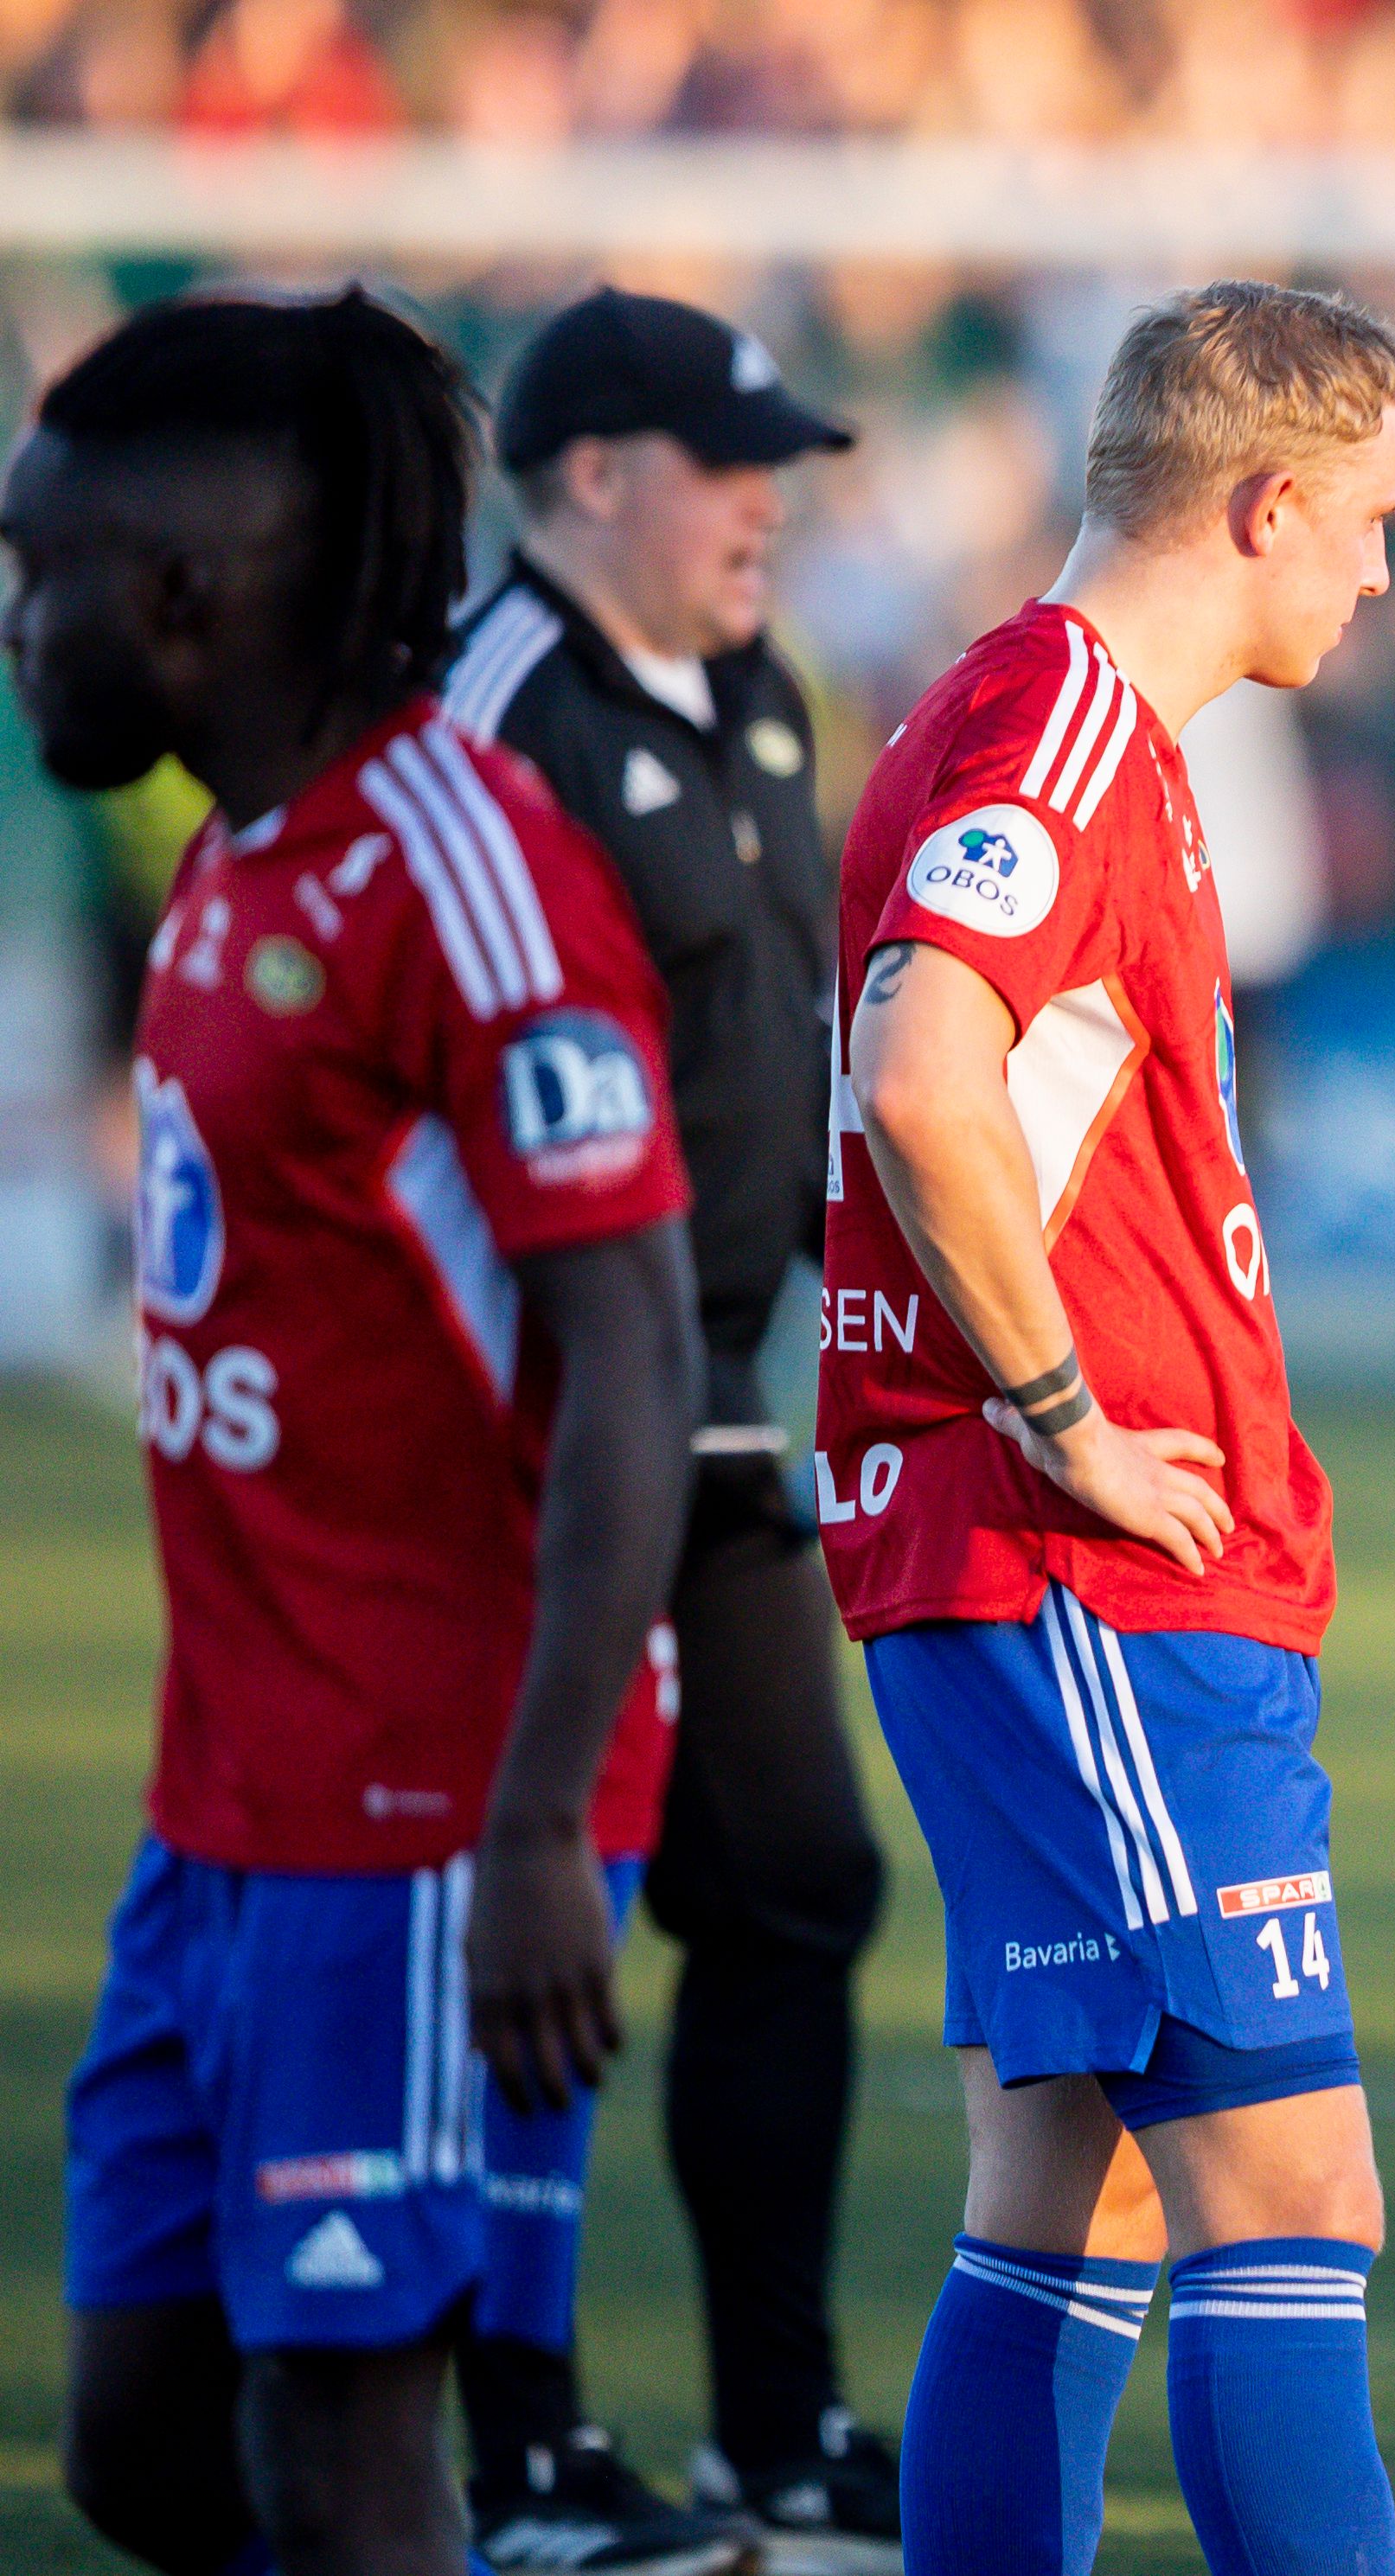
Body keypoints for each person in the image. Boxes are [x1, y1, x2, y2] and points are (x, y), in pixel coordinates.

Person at [11, 287, 707, 2574]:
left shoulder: (461, 870)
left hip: (429, 1804)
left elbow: (634, 1348)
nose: (15, 628)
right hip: (225, 1802)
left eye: (36, 574)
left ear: (180, 597)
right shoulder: (238, 854)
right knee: (139, 2448)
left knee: (344, 2445)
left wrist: (538, 1820)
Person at [818, 279, 1395, 2576]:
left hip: (1027, 1567)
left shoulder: (1062, 723)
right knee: (1291, 2188)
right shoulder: (1059, 727)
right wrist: (1061, 1407)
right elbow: (919, 1067)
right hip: (1082, 1574)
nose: (1380, 569)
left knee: (1066, 2191)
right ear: (1264, 507)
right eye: (1363, 520)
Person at [445, 285, 896, 2573]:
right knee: (547, 1902)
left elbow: (780, 1042)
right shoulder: (491, 712)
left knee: (791, 1886)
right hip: (536, 1420)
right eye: (733, 465)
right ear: (595, 472)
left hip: (714, 1397)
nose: (768, 505)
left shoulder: (762, 691)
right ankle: (509, 2445)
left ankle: (772, 2429)